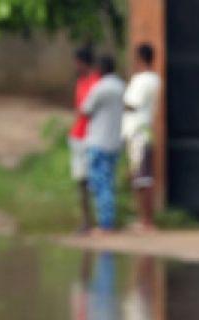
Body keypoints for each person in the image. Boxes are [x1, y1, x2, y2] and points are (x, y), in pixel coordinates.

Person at [80, 54, 126, 234]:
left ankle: (105, 224)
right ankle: (108, 221)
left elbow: (85, 110)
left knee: (101, 183)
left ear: (101, 69)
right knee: (109, 181)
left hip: (99, 141)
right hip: (115, 142)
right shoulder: (122, 86)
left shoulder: (99, 88)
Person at [122, 43, 162, 230]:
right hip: (143, 130)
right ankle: (144, 219)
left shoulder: (142, 80)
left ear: (140, 58)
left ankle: (146, 221)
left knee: (142, 179)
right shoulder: (154, 79)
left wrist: (119, 104)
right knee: (140, 178)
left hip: (138, 132)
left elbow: (132, 104)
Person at [68, 48, 101, 233]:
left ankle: (96, 220)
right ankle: (87, 220)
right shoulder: (81, 82)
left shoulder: (96, 83)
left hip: (92, 137)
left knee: (94, 179)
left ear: (83, 62)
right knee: (82, 180)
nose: (75, 66)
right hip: (78, 135)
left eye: (77, 62)